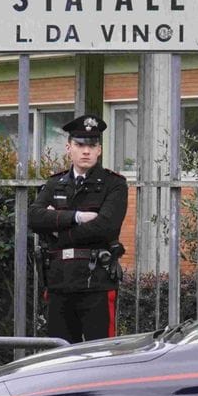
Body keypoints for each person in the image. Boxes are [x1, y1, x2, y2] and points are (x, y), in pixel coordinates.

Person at [28, 113, 128, 343]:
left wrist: (57, 229)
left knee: (100, 354)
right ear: (68, 147)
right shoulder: (55, 183)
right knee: (60, 355)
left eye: (92, 146)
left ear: (99, 150)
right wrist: (77, 217)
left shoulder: (114, 184)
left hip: (96, 282)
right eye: (80, 144)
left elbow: (105, 227)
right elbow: (34, 217)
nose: (86, 151)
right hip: (59, 281)